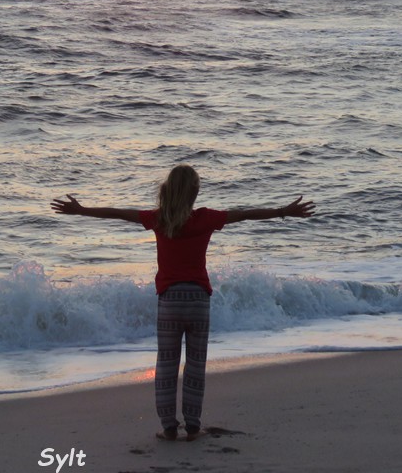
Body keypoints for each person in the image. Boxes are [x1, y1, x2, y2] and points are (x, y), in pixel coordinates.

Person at [51, 163, 315, 442]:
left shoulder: (158, 218)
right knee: (196, 365)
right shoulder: (206, 218)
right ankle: (192, 426)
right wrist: (283, 211)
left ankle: (168, 427)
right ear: (195, 192)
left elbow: (118, 213)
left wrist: (81, 210)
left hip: (170, 300)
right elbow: (246, 214)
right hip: (198, 299)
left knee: (166, 365)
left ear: (168, 189)